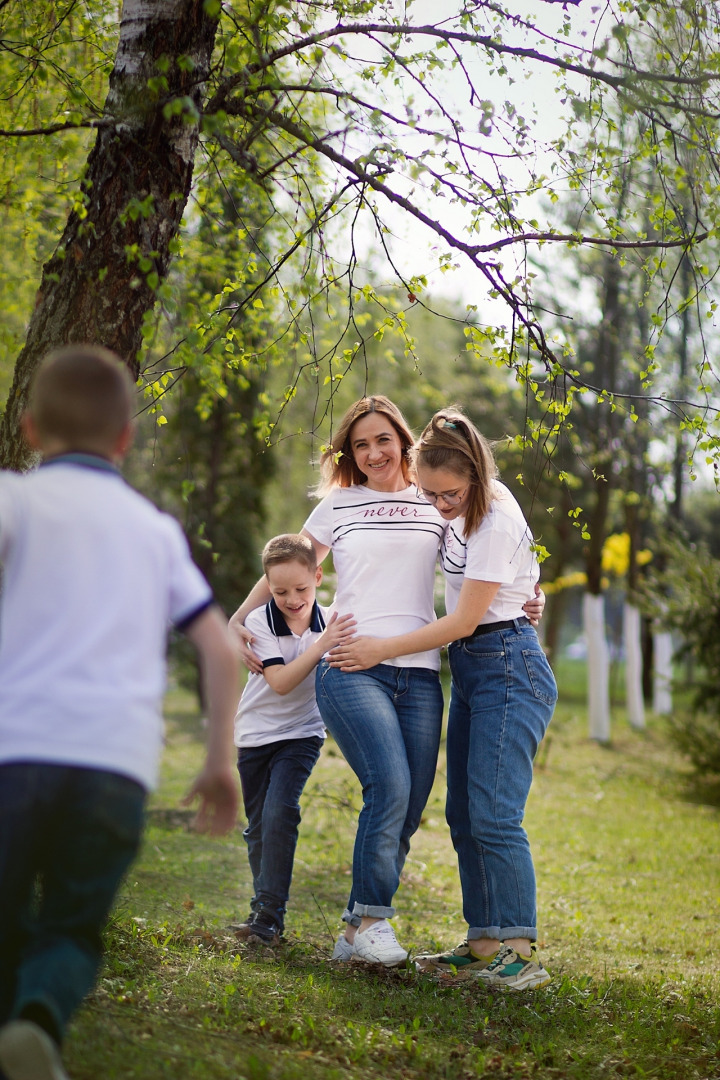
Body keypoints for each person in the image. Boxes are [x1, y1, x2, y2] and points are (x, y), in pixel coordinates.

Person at [229, 395, 543, 968]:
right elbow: (289, 564)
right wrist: (238, 617)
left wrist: (527, 596)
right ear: (349, 453)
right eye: (359, 444)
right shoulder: (339, 505)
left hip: (420, 672)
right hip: (351, 661)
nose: (373, 453)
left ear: (405, 441)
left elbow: (486, 562)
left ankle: (354, 932)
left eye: (382, 440)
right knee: (390, 785)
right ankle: (374, 920)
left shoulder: (437, 497)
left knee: (411, 800)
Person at [0, 345, 239, 1080]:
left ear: (32, 429)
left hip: (16, 750)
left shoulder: (14, 499)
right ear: (126, 439)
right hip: (114, 766)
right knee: (73, 925)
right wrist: (219, 763)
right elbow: (221, 648)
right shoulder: (154, 530)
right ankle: (39, 1017)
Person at [329, 407, 557, 990]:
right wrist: (532, 590)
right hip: (478, 669)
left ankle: (519, 950)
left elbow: (462, 621)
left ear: (476, 476)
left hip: (508, 664)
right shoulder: (465, 508)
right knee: (463, 811)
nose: (438, 504)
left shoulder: (494, 517)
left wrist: (380, 649)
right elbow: (519, 579)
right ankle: (483, 941)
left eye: (448, 493)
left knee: (495, 813)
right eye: (428, 493)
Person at [232, 533, 354, 944]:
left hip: (302, 734)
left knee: (281, 811)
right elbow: (280, 682)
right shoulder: (258, 622)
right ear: (268, 587)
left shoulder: (332, 619)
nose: (292, 598)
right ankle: (261, 909)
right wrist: (321, 646)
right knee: (257, 828)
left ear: (319, 576)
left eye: (301, 588)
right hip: (254, 735)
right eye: (280, 590)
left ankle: (269, 917)